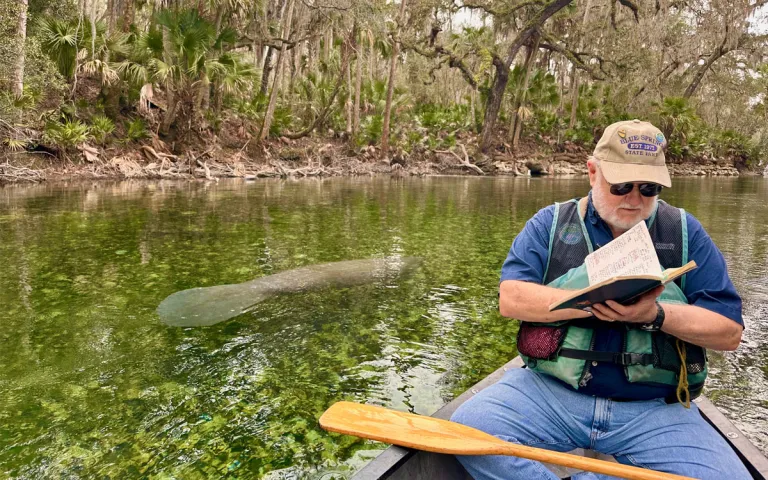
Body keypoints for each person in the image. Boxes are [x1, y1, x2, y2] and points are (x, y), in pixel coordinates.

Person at [451, 119, 748, 480]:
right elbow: (511, 298)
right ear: (593, 172)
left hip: (653, 411)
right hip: (552, 394)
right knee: (466, 430)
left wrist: (652, 314)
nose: (635, 199)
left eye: (649, 188)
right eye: (621, 185)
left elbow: (728, 332)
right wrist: (591, 302)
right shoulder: (551, 223)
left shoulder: (684, 231)